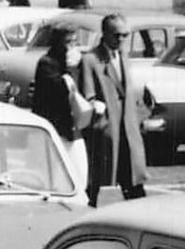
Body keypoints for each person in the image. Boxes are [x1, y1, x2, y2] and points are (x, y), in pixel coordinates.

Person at [78, 14, 149, 207]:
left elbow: (129, 92)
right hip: (107, 133)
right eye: (116, 35)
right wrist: (102, 123)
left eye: (125, 35)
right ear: (105, 34)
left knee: (133, 183)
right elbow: (88, 97)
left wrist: (140, 117)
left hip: (128, 130)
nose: (121, 40)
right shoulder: (91, 60)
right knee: (97, 183)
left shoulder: (123, 56)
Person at [31, 25, 92, 180]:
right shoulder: (47, 64)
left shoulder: (75, 63)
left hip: (73, 128)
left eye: (74, 42)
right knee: (58, 176)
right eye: (67, 42)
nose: (71, 47)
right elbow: (59, 92)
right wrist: (69, 70)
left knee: (79, 174)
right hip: (56, 129)